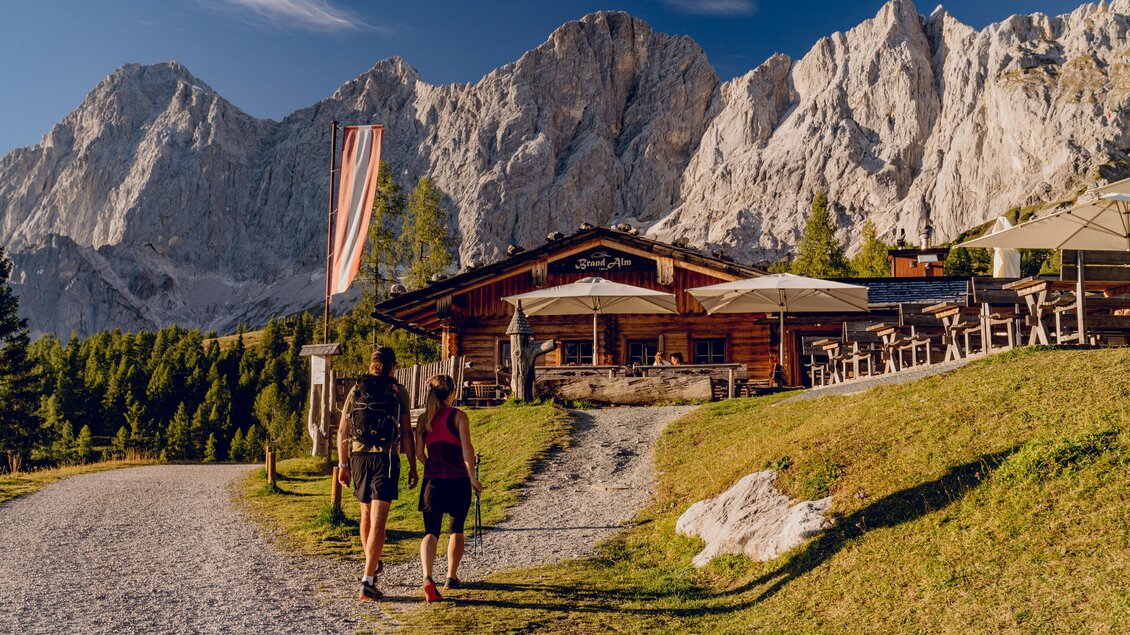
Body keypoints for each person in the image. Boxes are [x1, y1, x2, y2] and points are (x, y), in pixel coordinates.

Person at [336, 347, 418, 602]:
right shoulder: (397, 391)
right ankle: (367, 581)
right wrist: (413, 465)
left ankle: (371, 565)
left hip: (358, 458)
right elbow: (406, 432)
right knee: (380, 521)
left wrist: (343, 465)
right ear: (393, 366)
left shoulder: (356, 388)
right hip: (386, 458)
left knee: (366, 516)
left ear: (372, 365)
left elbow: (342, 430)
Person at [414, 374, 485, 603]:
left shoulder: (424, 419)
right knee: (456, 529)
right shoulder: (459, 416)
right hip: (458, 481)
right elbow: (467, 449)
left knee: (431, 532)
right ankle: (451, 577)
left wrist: (430, 466)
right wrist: (473, 478)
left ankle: (427, 577)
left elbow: (418, 454)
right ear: (452, 392)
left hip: (432, 482)